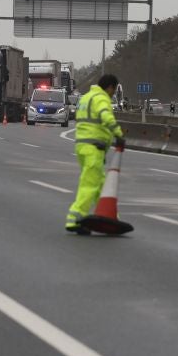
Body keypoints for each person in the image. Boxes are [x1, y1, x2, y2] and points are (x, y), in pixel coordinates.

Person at [65, 74, 126, 235]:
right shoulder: (101, 98)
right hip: (93, 147)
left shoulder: (86, 98)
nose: (112, 95)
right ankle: (75, 218)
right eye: (113, 91)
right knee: (89, 185)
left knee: (100, 185)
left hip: (82, 146)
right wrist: (118, 134)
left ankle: (110, 216)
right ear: (111, 87)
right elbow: (106, 117)